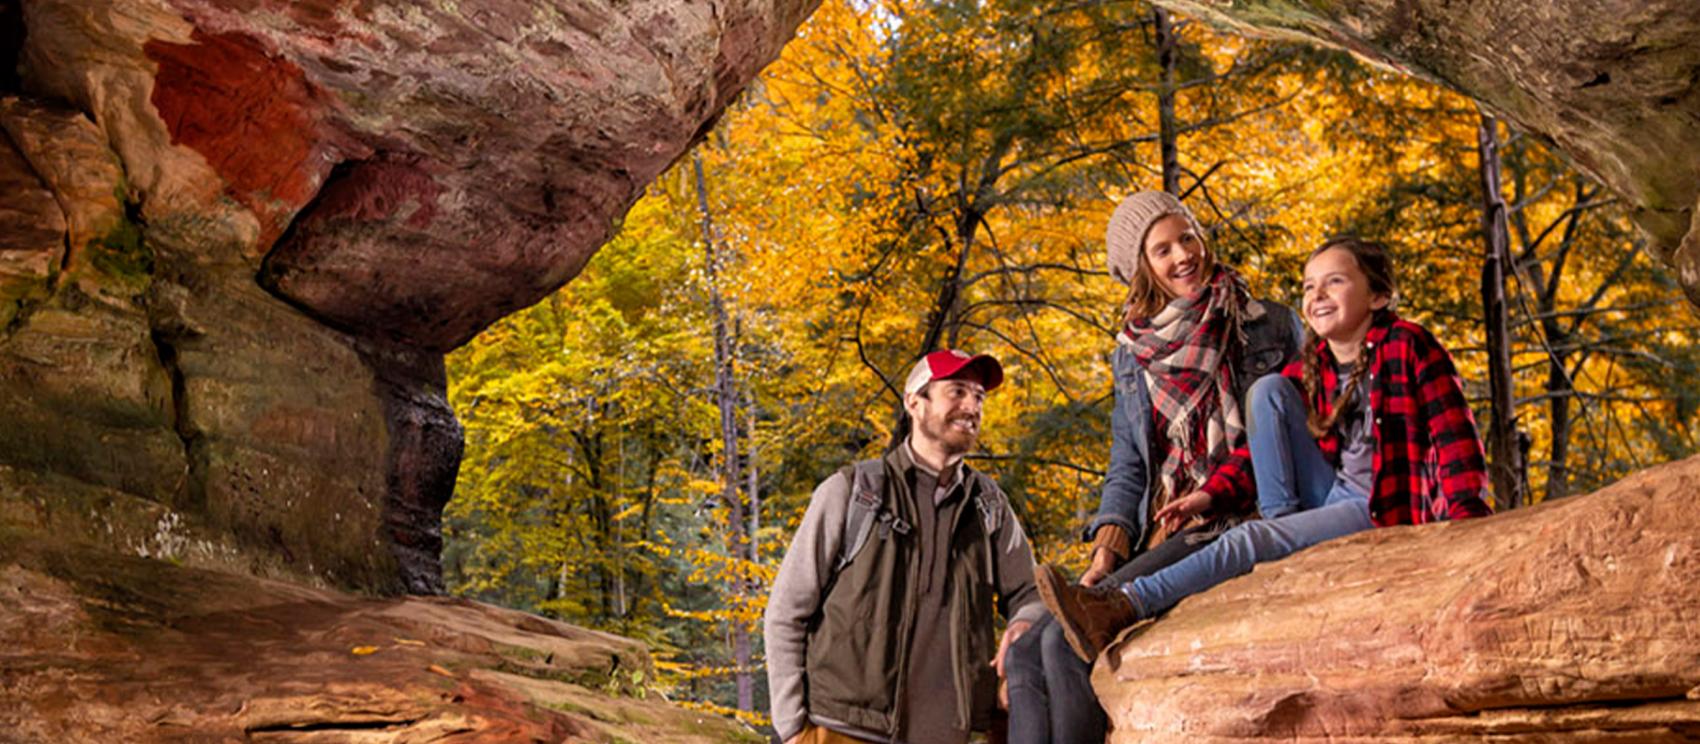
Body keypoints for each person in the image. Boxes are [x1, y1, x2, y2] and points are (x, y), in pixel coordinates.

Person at [1038, 236, 1493, 663]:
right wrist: (1211, 494)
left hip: (1381, 508)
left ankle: (1124, 605)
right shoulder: (1315, 360)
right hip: (1331, 493)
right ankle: (1281, 529)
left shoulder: (1408, 345)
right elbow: (1258, 449)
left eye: (1335, 281)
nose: (1318, 295)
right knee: (1268, 391)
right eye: (1309, 286)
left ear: (1377, 297)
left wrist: (1467, 526)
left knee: (1247, 538)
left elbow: (1455, 440)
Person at [1001, 190, 1303, 744]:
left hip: (1230, 518)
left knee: (1064, 646)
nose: (1182, 255)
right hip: (1164, 527)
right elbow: (1129, 465)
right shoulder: (1133, 354)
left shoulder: (1269, 325)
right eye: (1161, 250)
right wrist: (1104, 555)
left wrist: (1212, 495)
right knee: (1024, 650)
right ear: (1142, 268)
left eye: (1187, 237)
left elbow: (1292, 435)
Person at [764, 349, 1047, 744]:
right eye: (957, 392)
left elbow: (1032, 592)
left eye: (979, 397)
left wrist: (1024, 621)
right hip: (840, 731)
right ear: (915, 402)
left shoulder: (988, 505)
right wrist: (792, 726)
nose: (971, 406)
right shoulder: (853, 492)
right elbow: (787, 611)